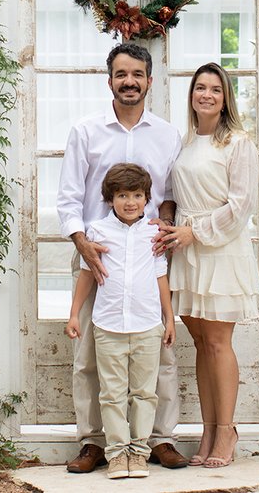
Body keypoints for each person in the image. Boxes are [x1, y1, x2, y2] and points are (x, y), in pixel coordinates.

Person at [57, 43, 188, 473]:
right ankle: (95, 442)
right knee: (91, 358)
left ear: (150, 81)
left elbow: (168, 198)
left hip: (148, 260)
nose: (129, 81)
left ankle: (158, 439)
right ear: (109, 80)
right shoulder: (86, 131)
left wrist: (164, 226)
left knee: (160, 354)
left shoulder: (168, 134)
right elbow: (69, 198)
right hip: (99, 259)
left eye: (137, 74)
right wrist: (83, 245)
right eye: (120, 74)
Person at [155, 62, 259, 469]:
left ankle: (227, 430)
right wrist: (169, 222)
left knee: (218, 342)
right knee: (200, 344)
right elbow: (171, 193)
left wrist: (194, 233)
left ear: (225, 97)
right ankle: (208, 426)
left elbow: (240, 206)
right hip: (184, 248)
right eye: (200, 88)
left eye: (215, 89)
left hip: (218, 249)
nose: (206, 95)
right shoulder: (184, 142)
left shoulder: (237, 142)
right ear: (192, 95)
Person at [65, 163, 177, 480]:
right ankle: (116, 455)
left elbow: (161, 277)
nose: (130, 202)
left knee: (144, 394)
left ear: (146, 199)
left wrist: (168, 320)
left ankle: (139, 453)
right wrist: (74, 314)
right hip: (108, 326)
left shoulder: (153, 233)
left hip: (146, 326)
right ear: (110, 198)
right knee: (111, 395)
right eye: (123, 195)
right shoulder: (98, 232)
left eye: (137, 195)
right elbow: (88, 276)